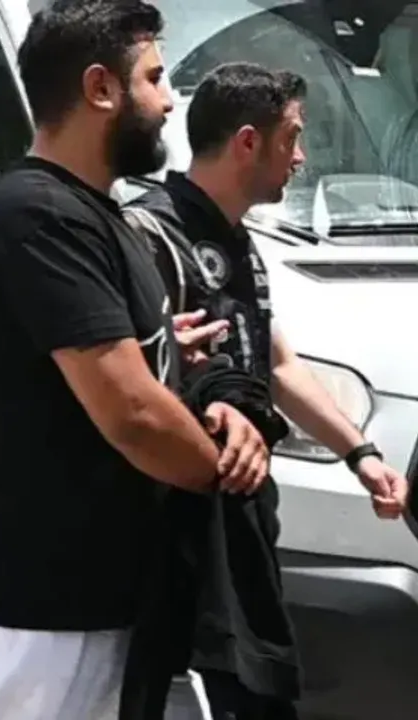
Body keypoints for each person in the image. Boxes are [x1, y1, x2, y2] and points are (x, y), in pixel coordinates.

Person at [0, 1, 273, 718]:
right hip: (28, 607)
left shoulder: (97, 214)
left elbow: (136, 363)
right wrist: (230, 473)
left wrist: (212, 395)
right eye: (156, 78)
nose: (170, 102)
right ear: (100, 88)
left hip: (83, 596)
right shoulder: (39, 217)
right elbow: (132, 412)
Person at [121, 61, 410, 719]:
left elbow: (276, 362)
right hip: (175, 527)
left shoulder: (240, 241)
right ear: (248, 142)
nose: (301, 158)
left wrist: (361, 454)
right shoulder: (150, 235)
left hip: (242, 519)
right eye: (292, 138)